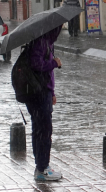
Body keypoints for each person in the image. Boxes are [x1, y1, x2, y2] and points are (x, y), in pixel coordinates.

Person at [27, 26, 63, 181]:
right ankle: (42, 169)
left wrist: (52, 92)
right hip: (39, 94)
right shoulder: (41, 43)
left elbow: (47, 74)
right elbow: (37, 65)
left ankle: (41, 166)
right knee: (43, 131)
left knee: (40, 130)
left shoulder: (46, 42)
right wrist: (54, 63)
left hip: (44, 92)